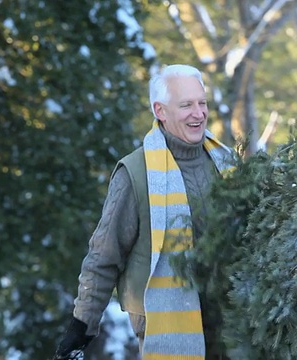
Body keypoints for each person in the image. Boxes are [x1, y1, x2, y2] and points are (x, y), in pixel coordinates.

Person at [53, 64, 234, 360]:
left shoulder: (226, 162)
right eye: (186, 105)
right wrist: (81, 325)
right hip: (163, 323)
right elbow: (103, 255)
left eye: (202, 103)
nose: (199, 114)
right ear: (160, 111)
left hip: (227, 319)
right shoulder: (135, 173)